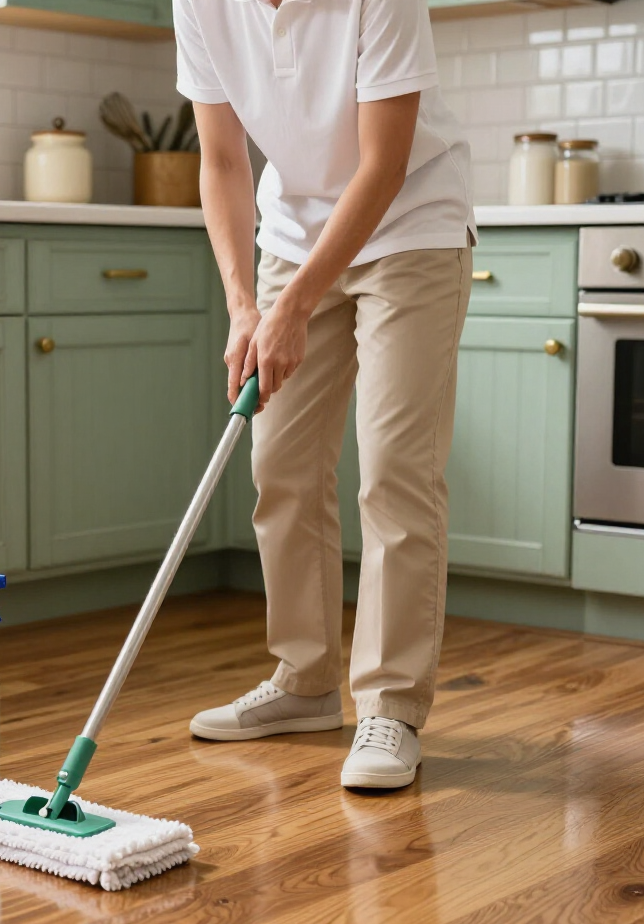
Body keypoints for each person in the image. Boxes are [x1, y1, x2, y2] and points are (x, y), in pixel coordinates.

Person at [176, 0, 476, 788]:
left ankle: (391, 707)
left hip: (410, 222)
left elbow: (383, 160)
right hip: (291, 234)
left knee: (395, 469)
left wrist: (297, 306)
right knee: (282, 464)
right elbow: (222, 160)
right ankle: (305, 681)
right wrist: (246, 306)